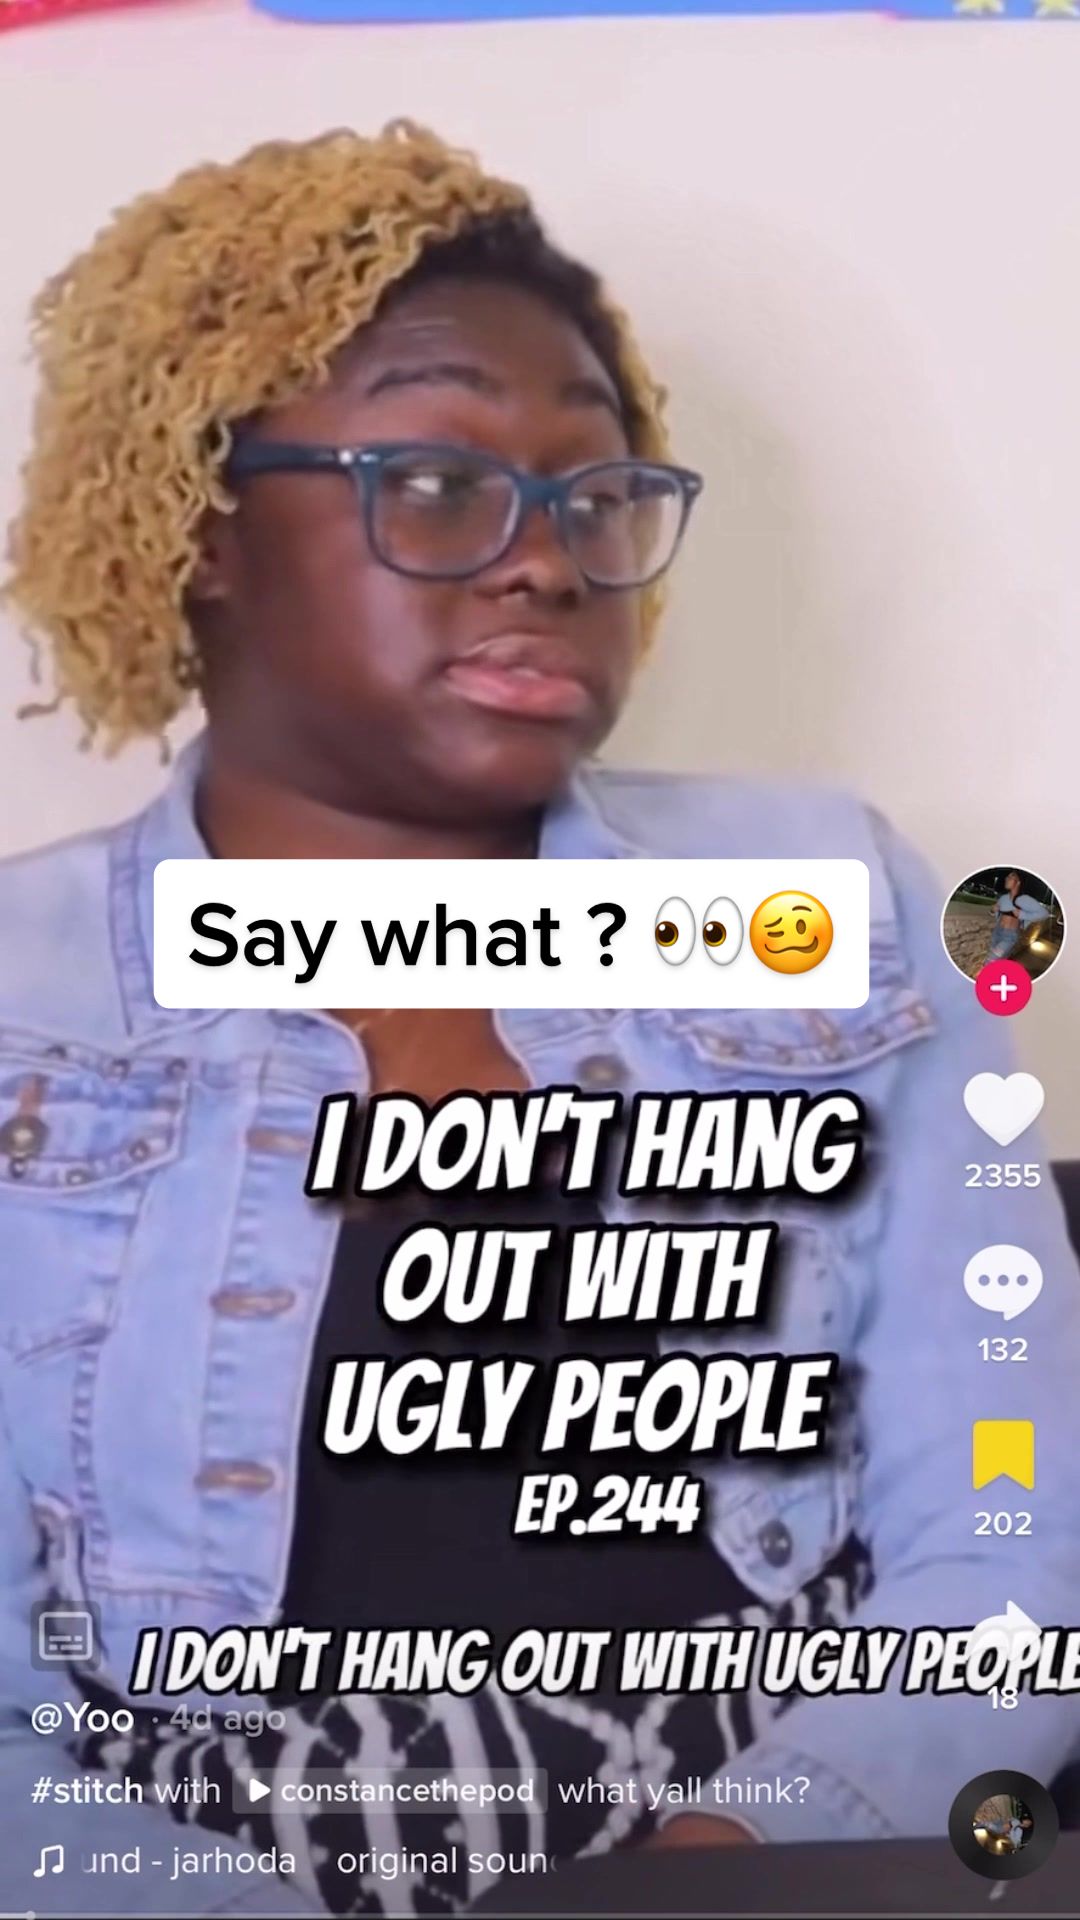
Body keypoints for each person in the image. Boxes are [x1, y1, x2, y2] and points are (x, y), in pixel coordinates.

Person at [1, 121, 1078, 1919]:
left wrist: (752, 1861)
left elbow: (1009, 1537)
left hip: (788, 1853)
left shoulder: (832, 899)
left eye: (597, 496)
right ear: (201, 521)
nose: (548, 563)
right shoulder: (25, 997)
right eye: (435, 478)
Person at [987, 870, 1052, 960]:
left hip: (1009, 936)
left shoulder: (1024, 899)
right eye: (1007, 877)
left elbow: (1044, 914)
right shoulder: (1003, 898)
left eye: (1011, 877)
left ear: (1018, 882)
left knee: (991, 959)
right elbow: (996, 914)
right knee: (1000, 959)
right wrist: (992, 911)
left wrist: (1022, 914)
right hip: (997, 932)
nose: (1007, 879)